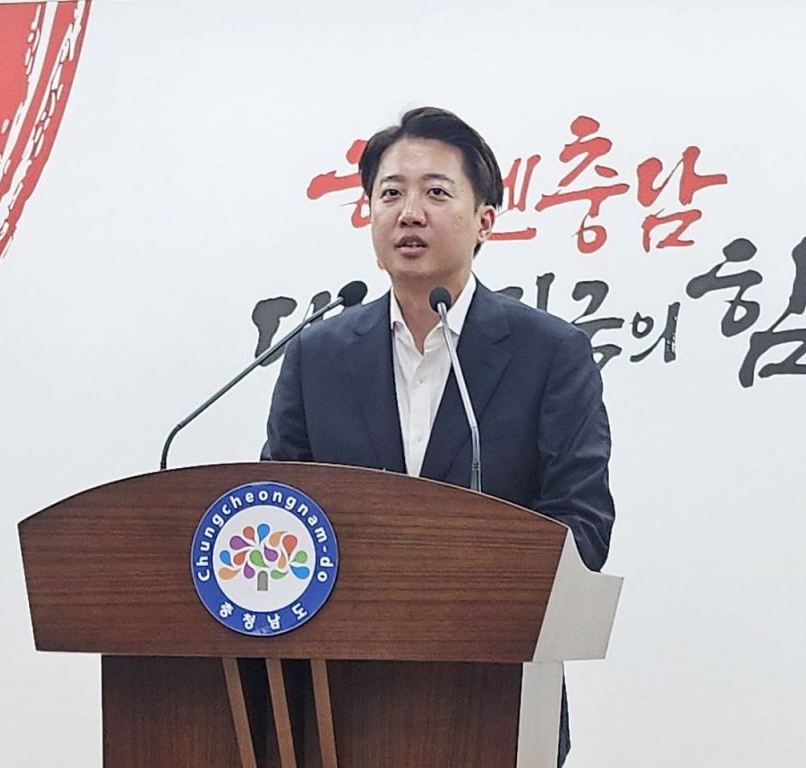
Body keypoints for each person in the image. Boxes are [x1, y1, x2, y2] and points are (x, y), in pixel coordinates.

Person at [263, 106, 615, 767]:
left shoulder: (550, 353)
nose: (410, 213)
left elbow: (583, 523)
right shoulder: (316, 355)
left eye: (436, 192)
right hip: (337, 706)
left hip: (496, 696)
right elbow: (278, 514)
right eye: (391, 193)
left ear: (486, 220)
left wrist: (465, 585)